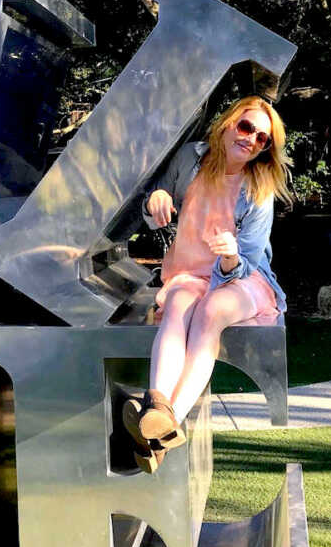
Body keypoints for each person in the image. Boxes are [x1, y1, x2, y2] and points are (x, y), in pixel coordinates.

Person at [124, 96, 293, 472]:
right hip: (190, 273)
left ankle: (160, 420)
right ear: (229, 124)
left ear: (266, 149)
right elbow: (153, 201)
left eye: (262, 139)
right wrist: (158, 199)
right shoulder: (189, 158)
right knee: (181, 304)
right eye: (246, 127)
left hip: (242, 279)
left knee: (211, 310)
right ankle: (161, 424)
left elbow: (246, 262)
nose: (251, 139)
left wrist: (230, 254)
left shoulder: (258, 190)